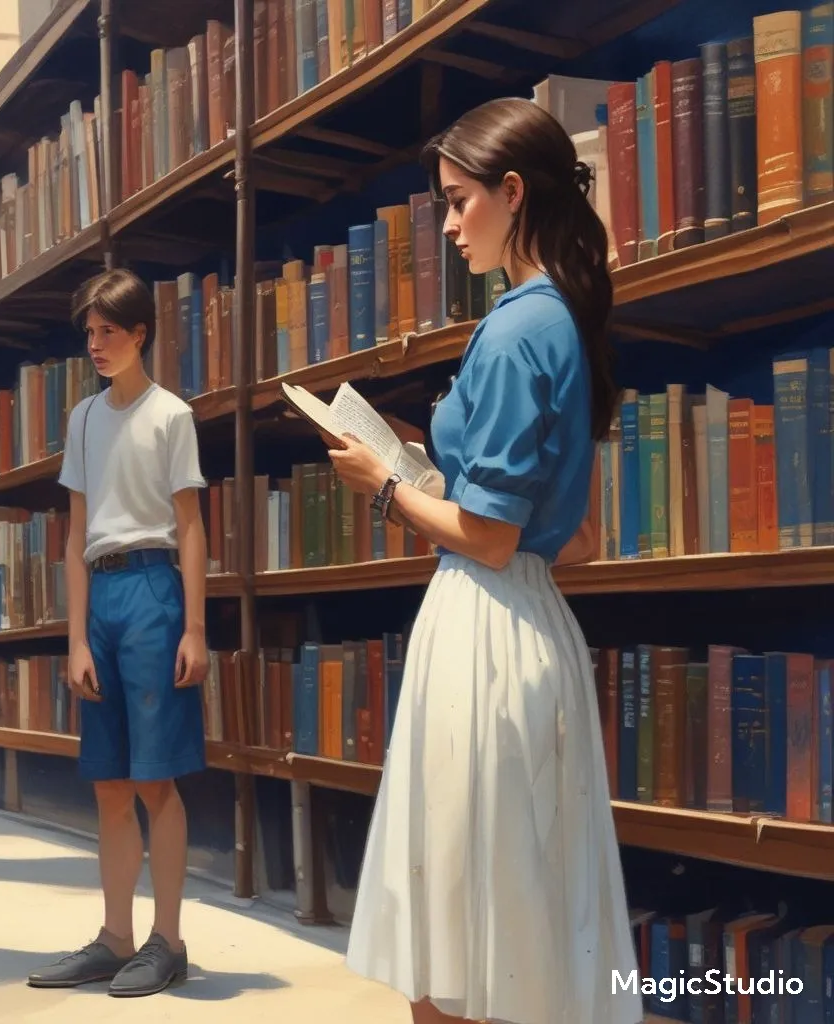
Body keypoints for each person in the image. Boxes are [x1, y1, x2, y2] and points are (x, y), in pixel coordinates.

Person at [330, 98, 642, 1024]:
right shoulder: (564, 321)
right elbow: (574, 535)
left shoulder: (513, 330)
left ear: (513, 193)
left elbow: (492, 536)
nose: (451, 224)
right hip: (532, 626)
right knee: (519, 922)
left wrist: (383, 489)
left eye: (460, 202)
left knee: (456, 938)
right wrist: (409, 447)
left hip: (484, 632)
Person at [27, 268, 210, 998]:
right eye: (90, 333)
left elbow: (192, 525)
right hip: (100, 593)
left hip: (155, 589)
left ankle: (167, 940)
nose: (97, 344)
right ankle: (114, 937)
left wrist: (194, 628)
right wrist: (74, 638)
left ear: (140, 334)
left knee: (154, 779)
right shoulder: (81, 419)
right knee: (108, 782)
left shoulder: (172, 415)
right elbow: (74, 537)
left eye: (110, 331)